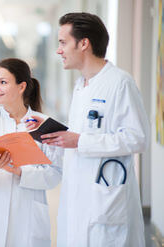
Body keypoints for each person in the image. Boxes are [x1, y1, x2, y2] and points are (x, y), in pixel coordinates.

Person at [32, 12, 149, 246]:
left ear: (84, 43)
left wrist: (79, 141)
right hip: (78, 197)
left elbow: (138, 138)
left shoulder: (119, 83)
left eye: (63, 43)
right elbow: (83, 132)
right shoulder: (80, 86)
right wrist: (52, 130)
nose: (58, 50)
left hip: (106, 199)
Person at [0, 58, 63, 247]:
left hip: (26, 215)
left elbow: (54, 175)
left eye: (3, 82)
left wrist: (19, 171)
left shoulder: (43, 125)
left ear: (21, 86)